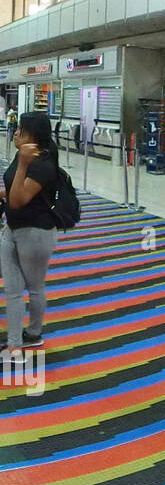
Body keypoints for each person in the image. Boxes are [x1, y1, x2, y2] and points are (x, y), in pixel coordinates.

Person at [1, 115, 68, 349]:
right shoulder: (23, 155)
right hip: (12, 228)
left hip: (35, 233)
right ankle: (14, 343)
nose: (16, 133)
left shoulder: (42, 164)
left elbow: (19, 199)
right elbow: (13, 190)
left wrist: (22, 164)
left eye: (22, 130)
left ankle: (34, 332)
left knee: (35, 286)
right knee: (12, 289)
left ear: (34, 136)